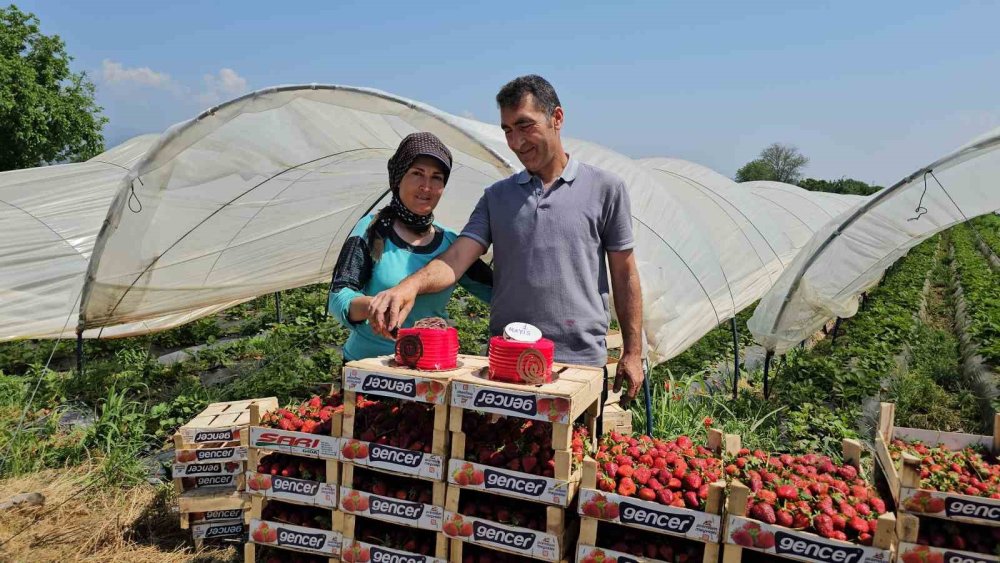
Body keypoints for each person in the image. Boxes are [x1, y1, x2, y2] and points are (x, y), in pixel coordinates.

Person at [368, 75, 644, 404]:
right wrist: (408, 287)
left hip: (579, 364)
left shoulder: (605, 189)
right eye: (507, 130)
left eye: (525, 125)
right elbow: (456, 260)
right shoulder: (497, 197)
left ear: (557, 118)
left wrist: (632, 351)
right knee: (507, 453)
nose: (516, 141)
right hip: (506, 364)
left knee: (574, 454)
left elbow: (624, 274)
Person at [328, 132, 492, 361]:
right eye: (417, 174)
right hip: (368, 370)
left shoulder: (451, 245)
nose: (427, 186)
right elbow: (338, 295)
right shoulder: (372, 230)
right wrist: (375, 306)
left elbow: (497, 292)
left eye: (437, 177)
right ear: (398, 178)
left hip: (428, 370)